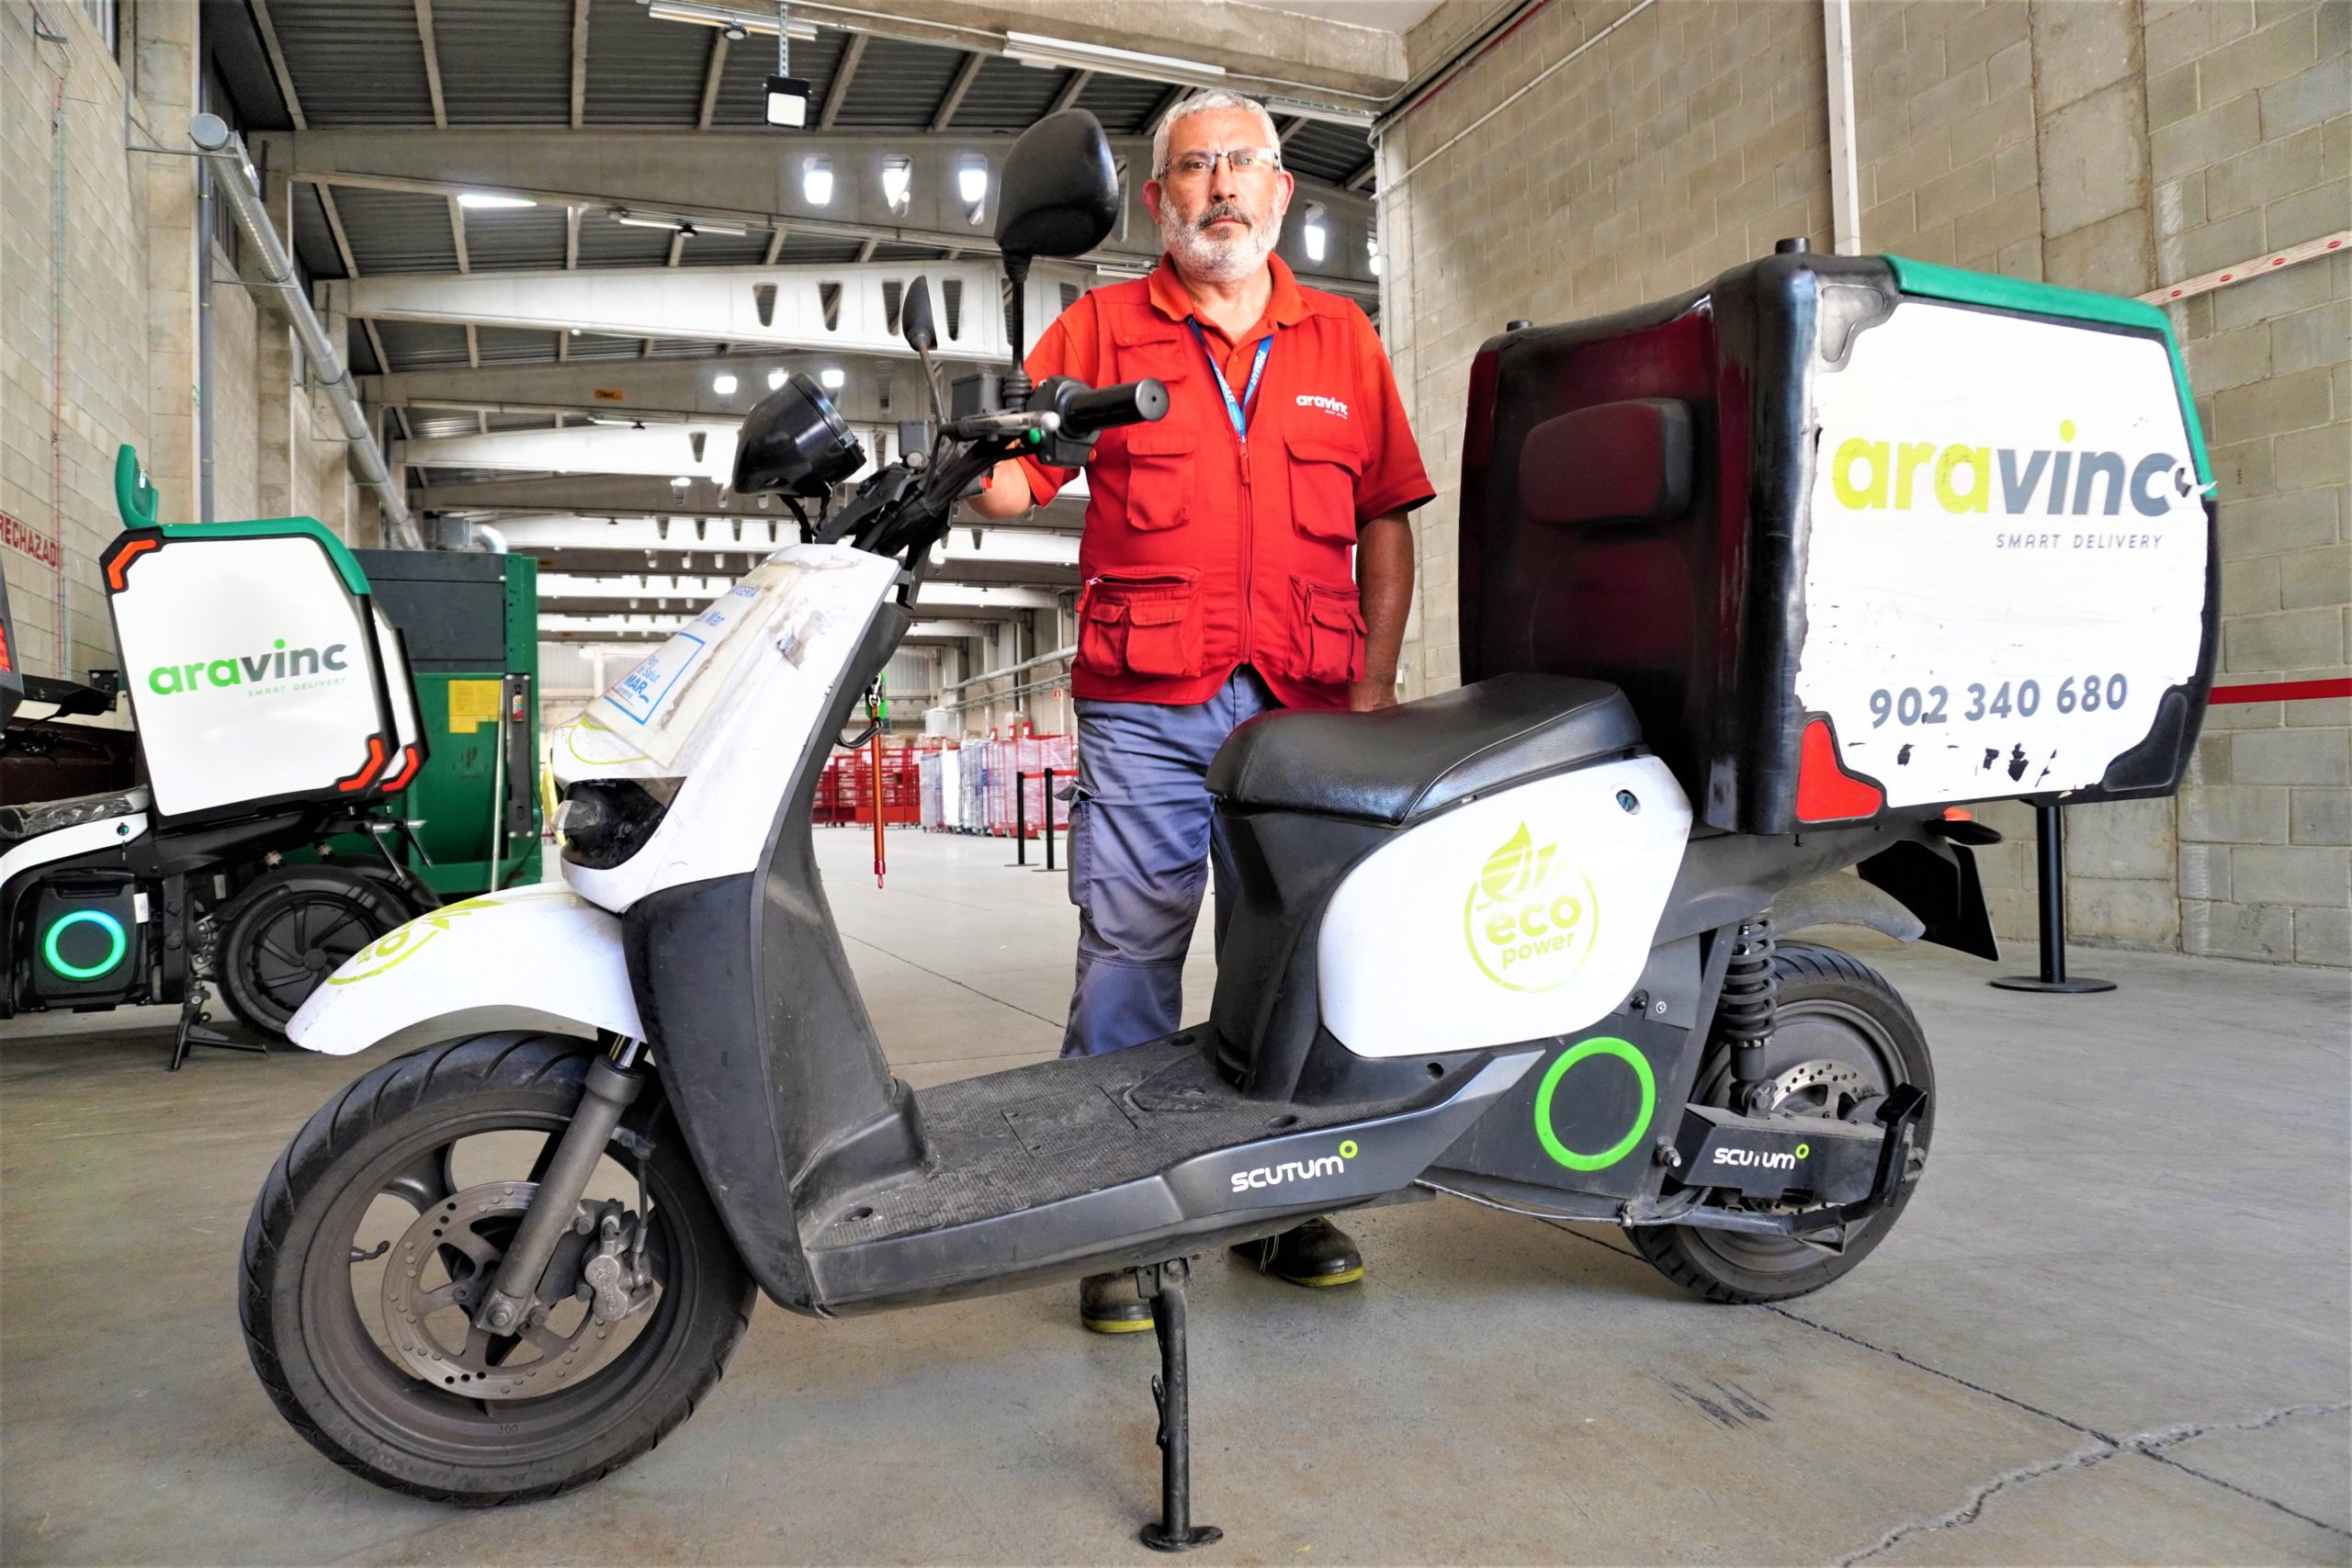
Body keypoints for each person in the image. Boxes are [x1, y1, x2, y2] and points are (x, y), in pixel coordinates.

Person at [969, 88, 1433, 1333]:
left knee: (1299, 959)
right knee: (1130, 950)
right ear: (1158, 197)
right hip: (1149, 703)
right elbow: (1023, 465)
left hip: (1306, 705)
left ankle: (1282, 1200)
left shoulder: (1342, 340)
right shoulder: (1100, 329)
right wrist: (995, 476)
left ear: (1282, 193)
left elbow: (1384, 517)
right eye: (1193, 168)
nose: (1220, 186)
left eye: (1242, 166)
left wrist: (1379, 683)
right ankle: (1114, 1215)